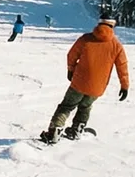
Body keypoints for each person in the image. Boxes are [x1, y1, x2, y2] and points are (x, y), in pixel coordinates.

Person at [38, 13, 129, 144]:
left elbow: (71, 55)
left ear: (99, 23)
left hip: (79, 82)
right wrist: (124, 86)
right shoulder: (116, 45)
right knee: (85, 107)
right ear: (112, 25)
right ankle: (77, 129)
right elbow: (122, 66)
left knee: (66, 106)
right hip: (97, 87)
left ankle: (54, 132)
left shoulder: (86, 39)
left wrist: (71, 70)